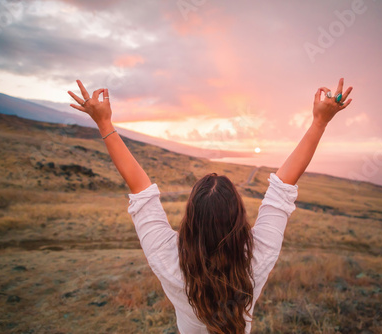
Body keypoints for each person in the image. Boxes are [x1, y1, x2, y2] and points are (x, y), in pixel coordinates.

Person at [68, 78, 353, 333]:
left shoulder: (167, 258)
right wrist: (320, 122)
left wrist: (104, 124)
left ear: (191, 218)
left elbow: (140, 188)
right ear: (239, 217)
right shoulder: (258, 256)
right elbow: (283, 186)